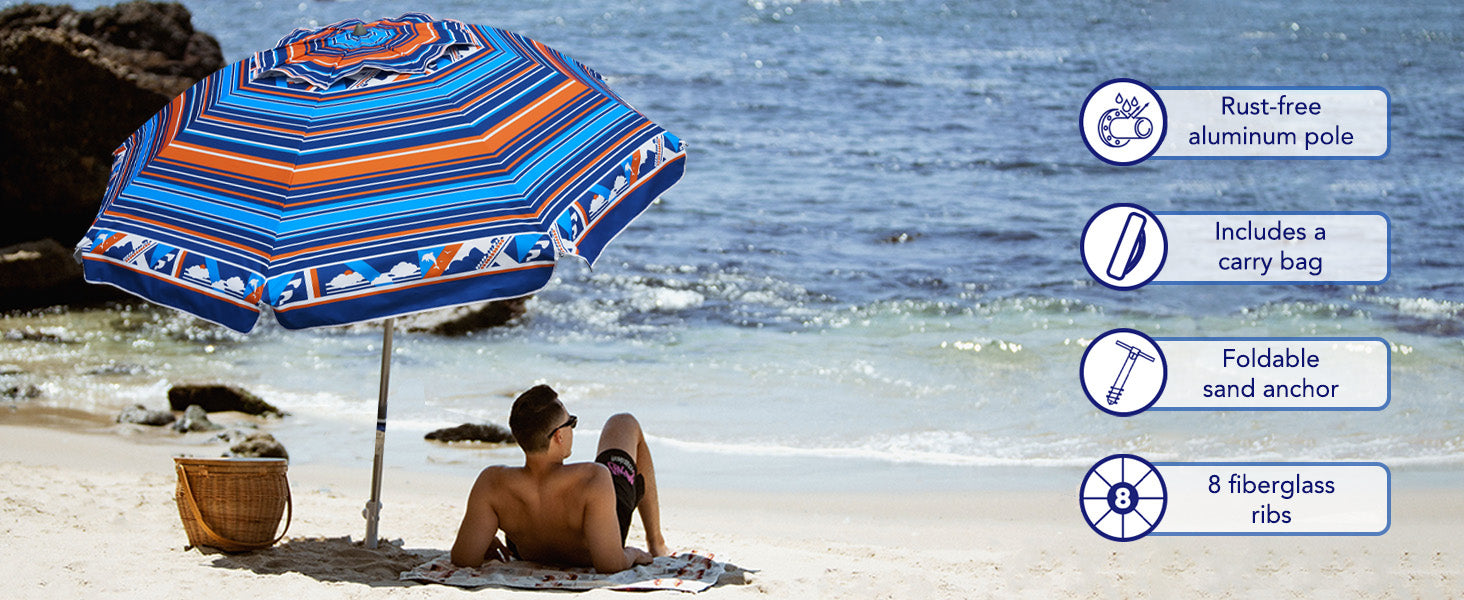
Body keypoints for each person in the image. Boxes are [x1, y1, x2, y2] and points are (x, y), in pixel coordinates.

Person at [451, 384, 671, 572]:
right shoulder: (594, 477)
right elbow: (610, 564)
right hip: (598, 544)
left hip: (529, 549)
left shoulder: (492, 481)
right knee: (624, 421)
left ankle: (656, 542)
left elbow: (463, 558)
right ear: (559, 435)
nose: (572, 428)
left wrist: (483, 539)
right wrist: (632, 553)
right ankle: (656, 543)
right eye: (571, 422)